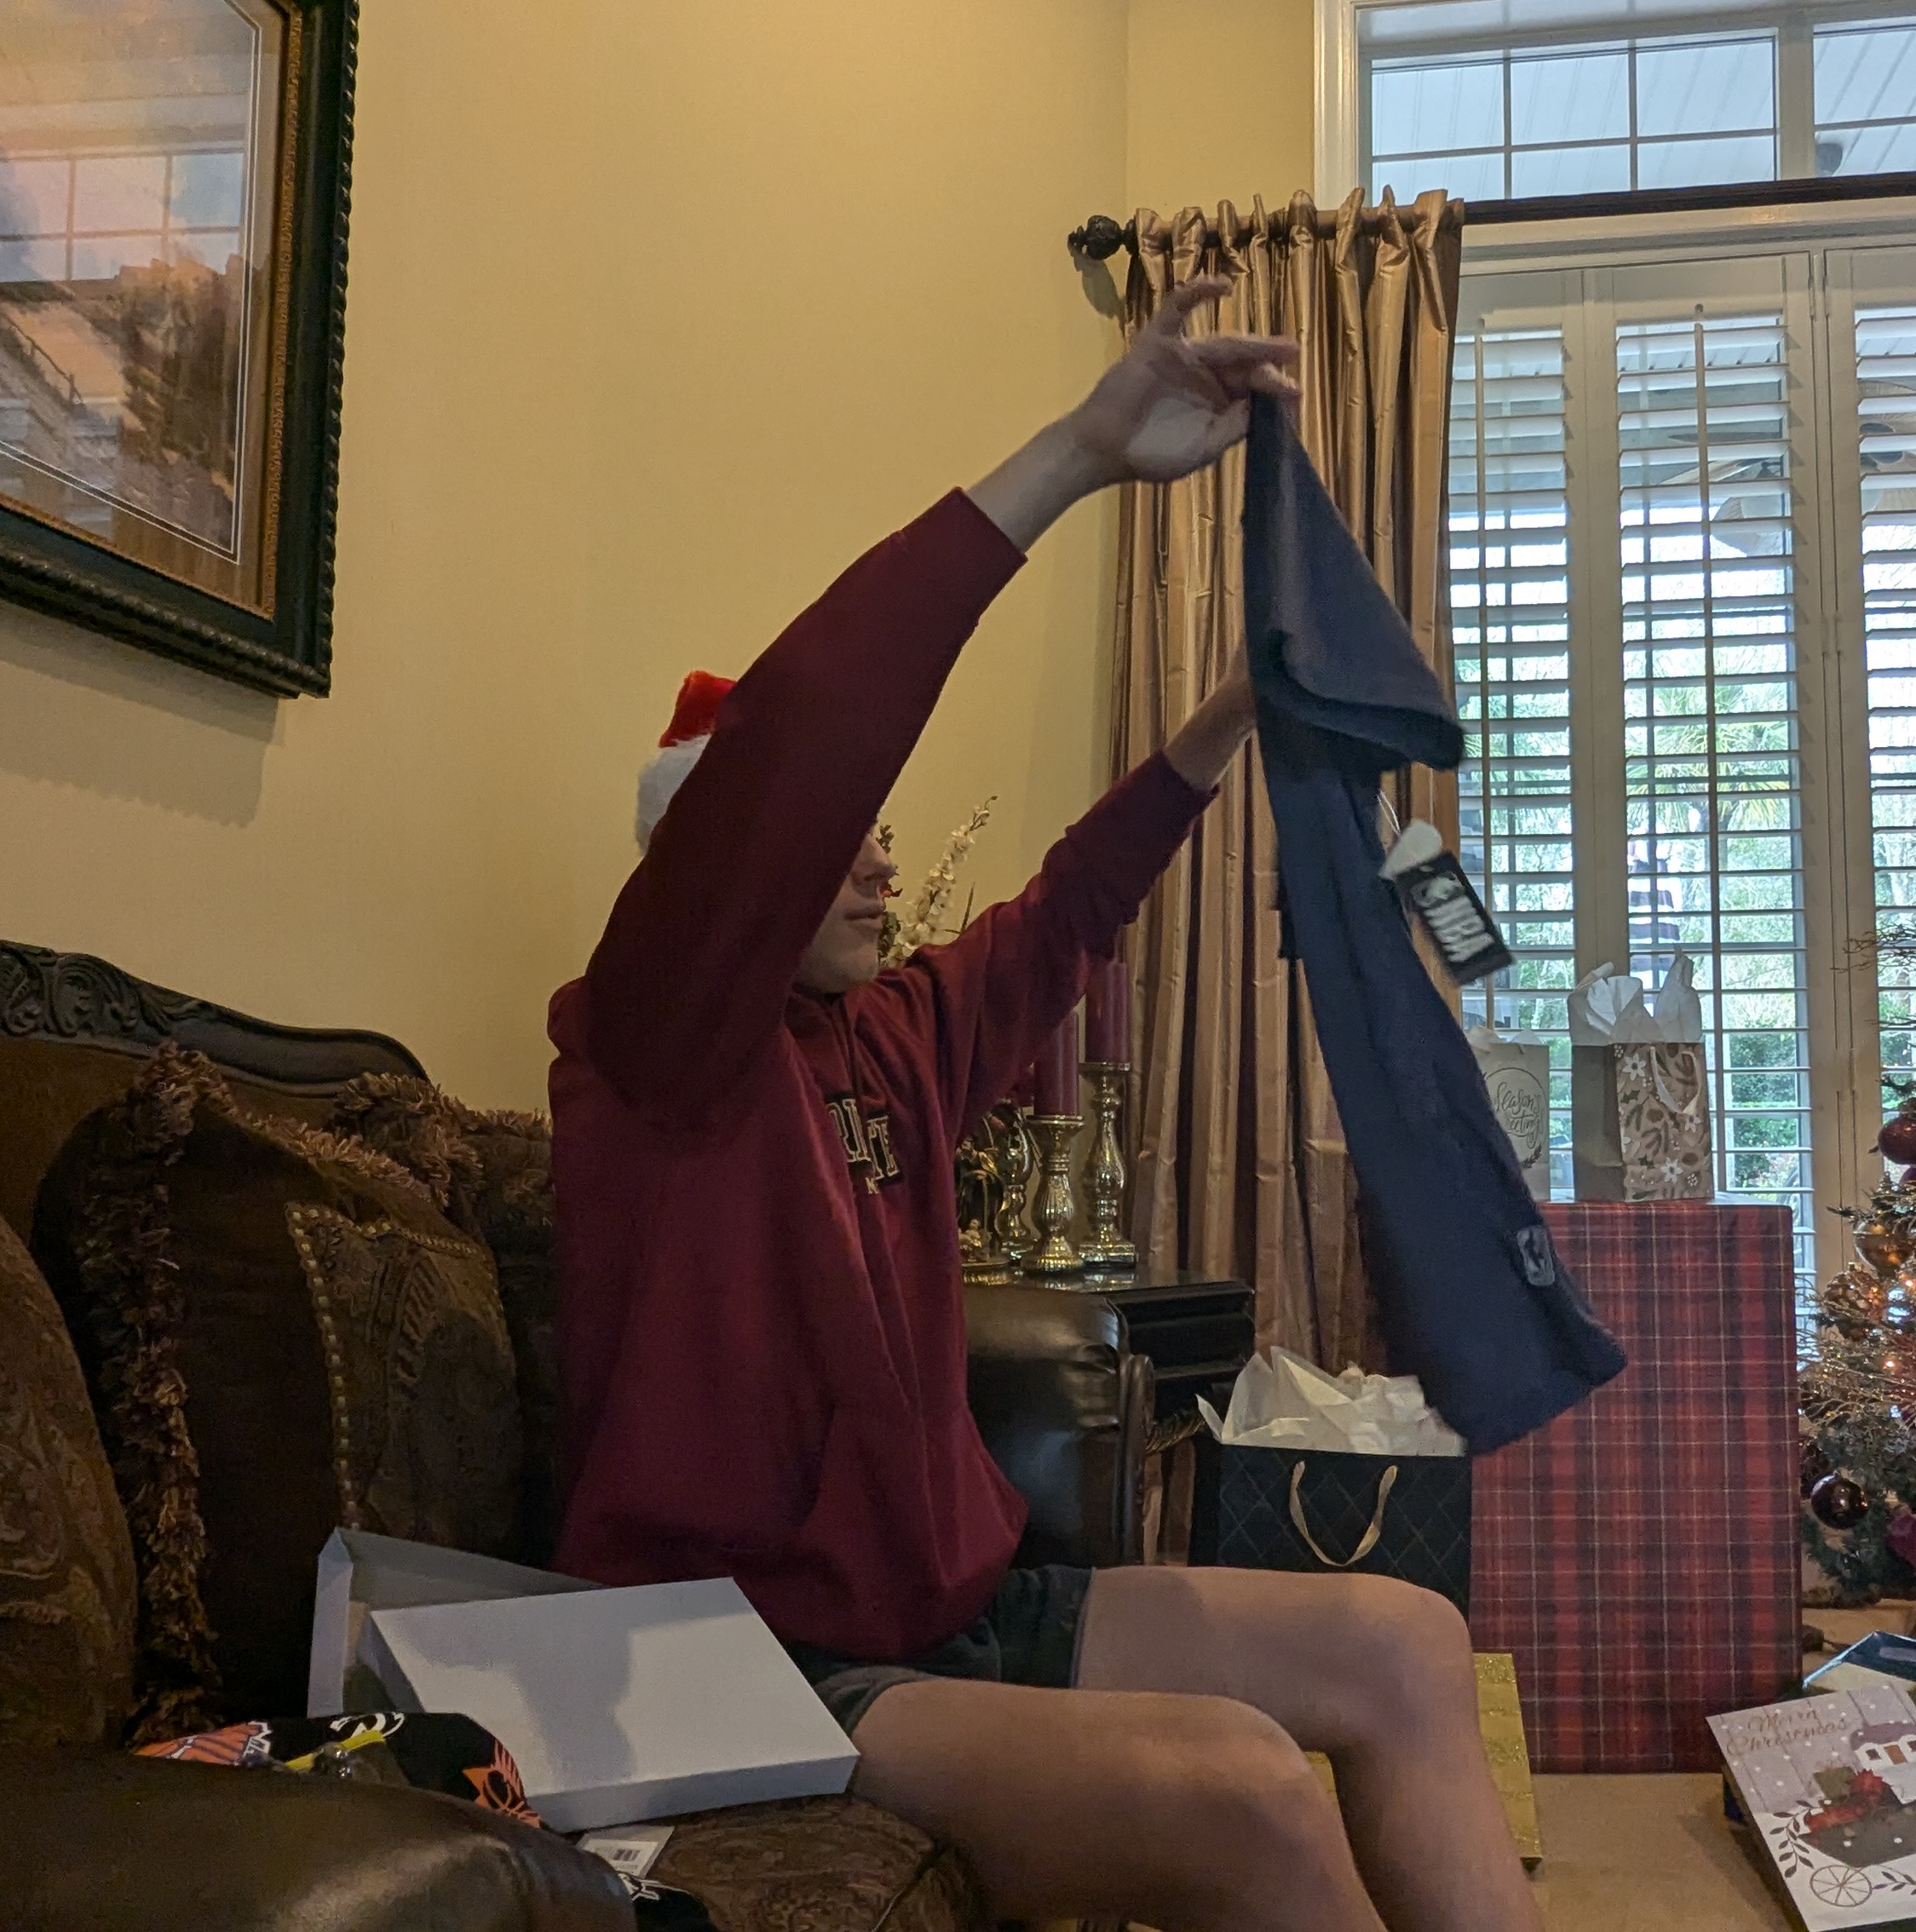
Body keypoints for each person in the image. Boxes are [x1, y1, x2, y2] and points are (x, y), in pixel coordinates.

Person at [547, 279, 1545, 1932]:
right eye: (839, 835)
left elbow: (1069, 909)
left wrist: (1231, 717)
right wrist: (1079, 455)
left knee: (1406, 1641)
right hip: (751, 1662)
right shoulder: (653, 1042)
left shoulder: (892, 1035)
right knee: (1243, 1786)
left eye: (885, 831)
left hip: (957, 1613)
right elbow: (811, 732)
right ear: (730, 870)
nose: (879, 860)